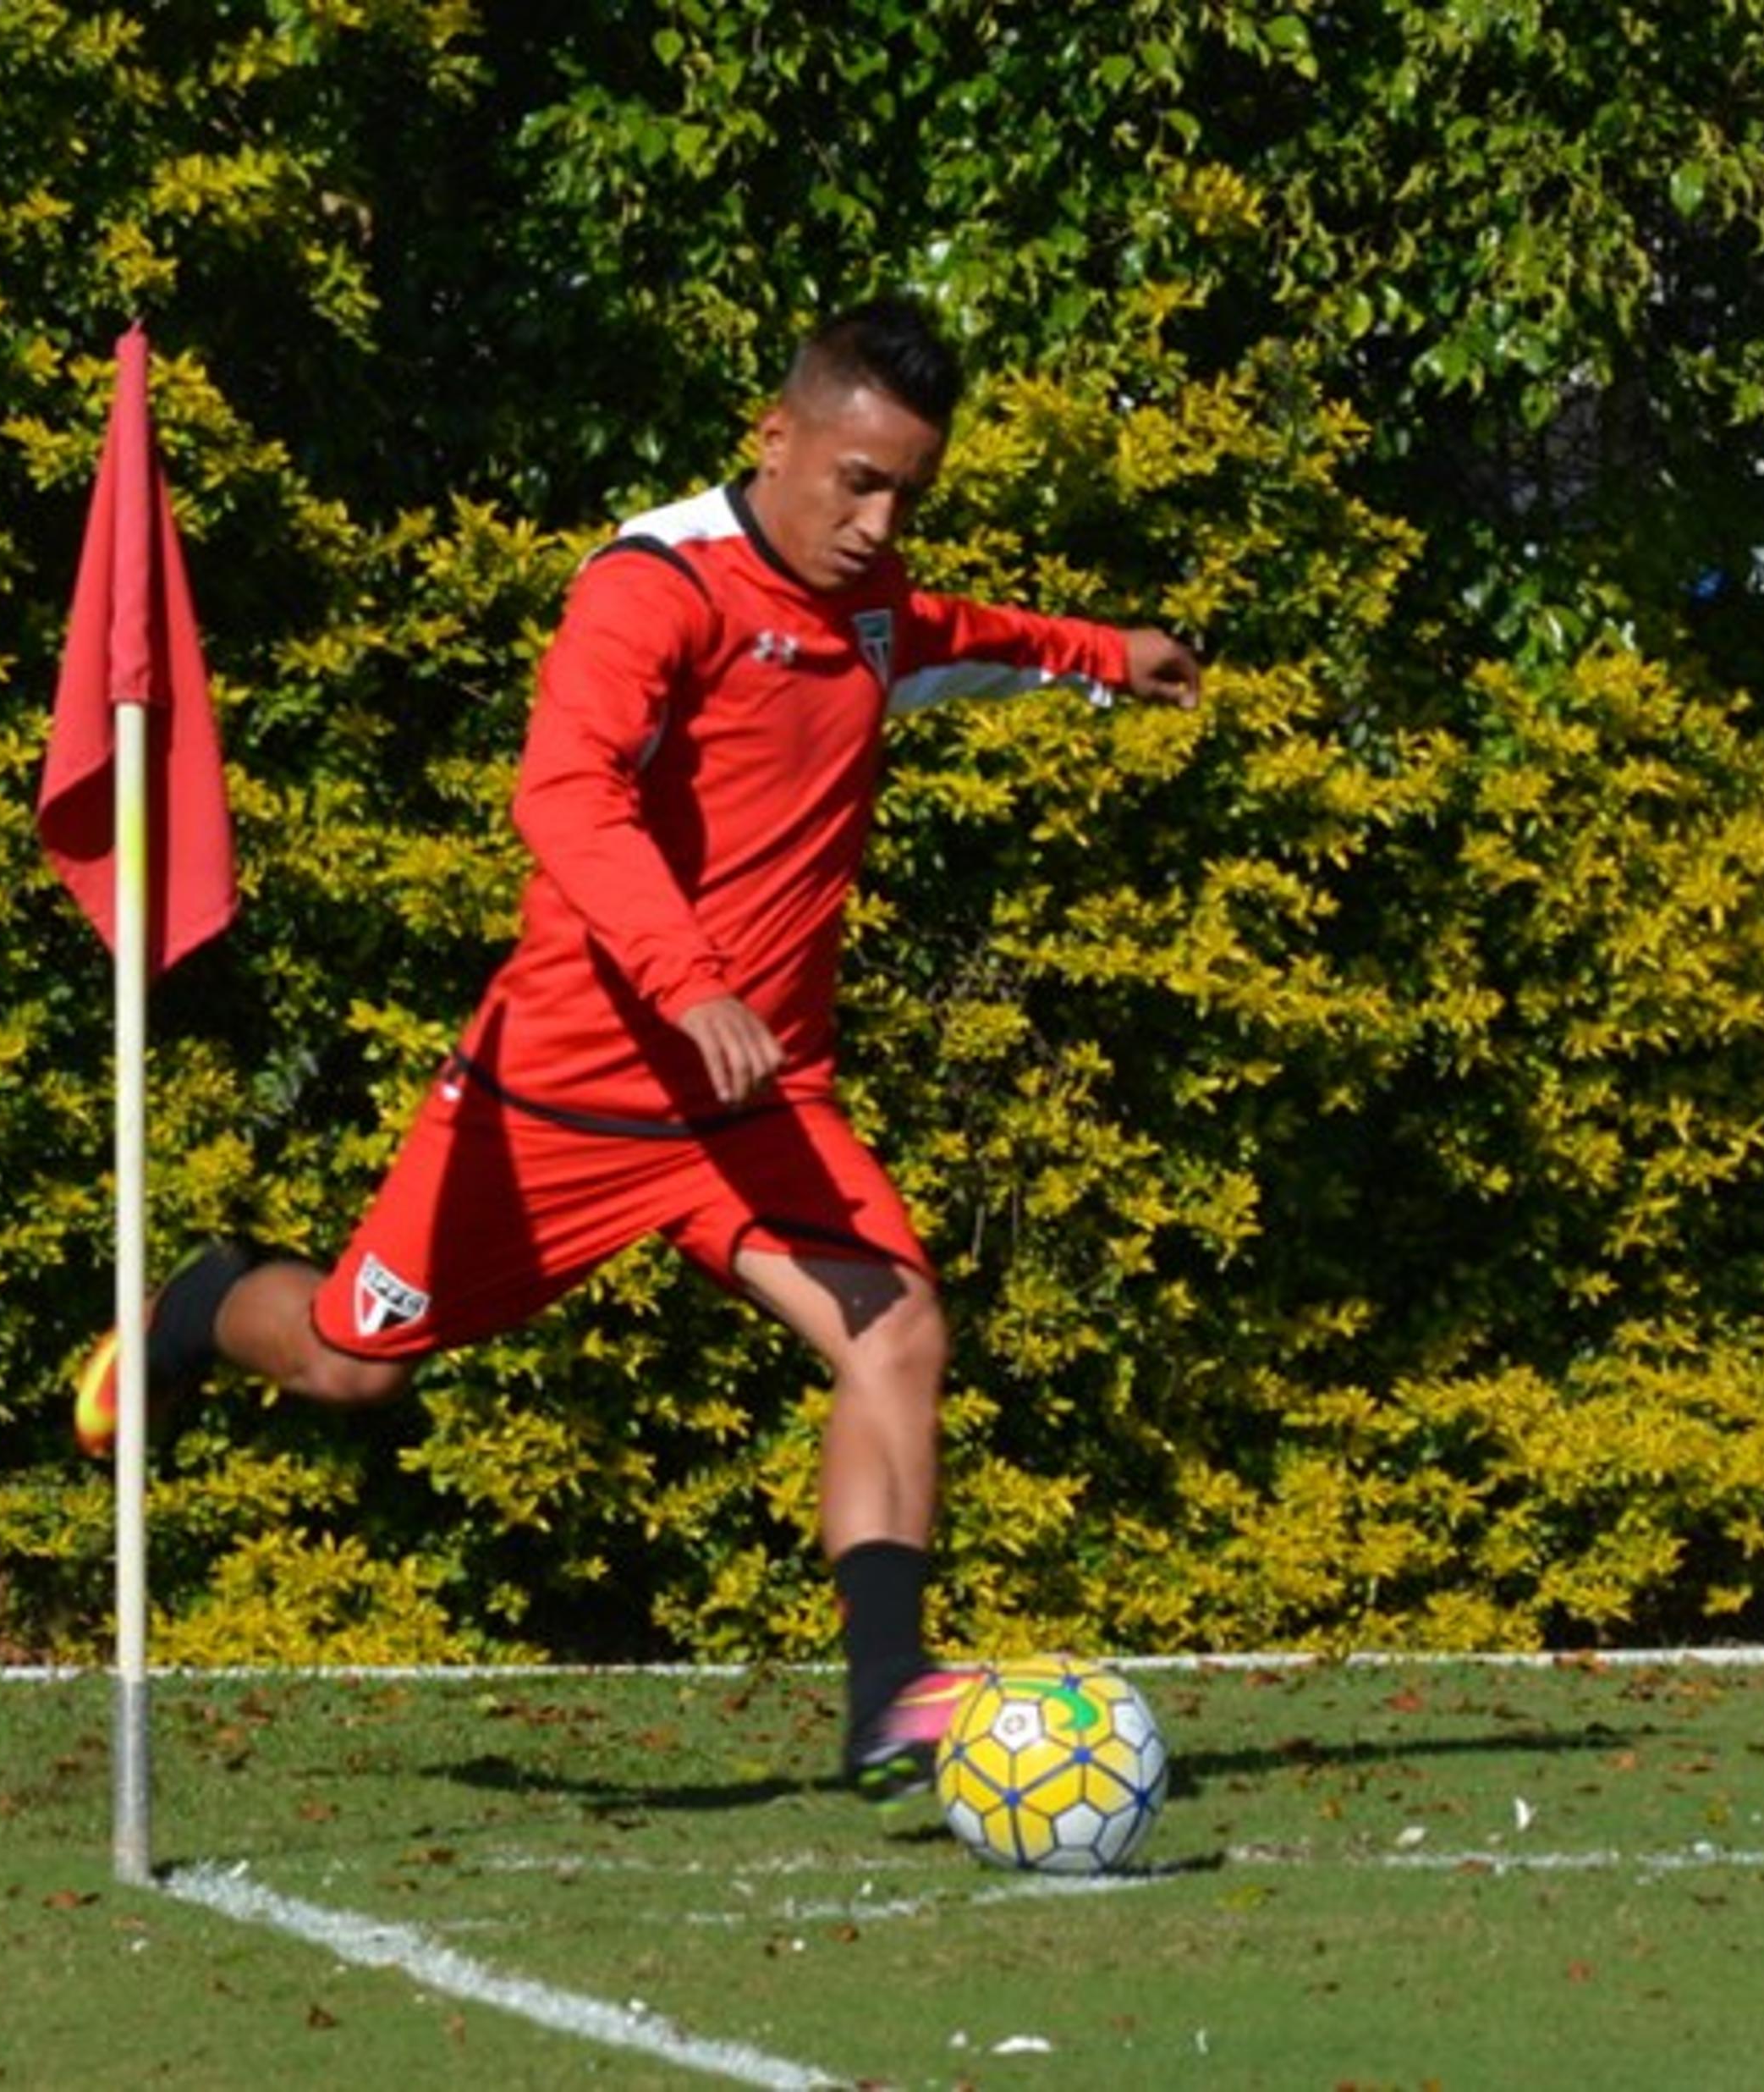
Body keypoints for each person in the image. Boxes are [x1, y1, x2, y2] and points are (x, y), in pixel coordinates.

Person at [74, 295, 1201, 1804]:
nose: (877, 522)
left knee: (897, 1332)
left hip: (756, 1108)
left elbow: (955, 640)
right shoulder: (651, 587)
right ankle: (207, 1304)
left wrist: (1108, 656)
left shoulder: (867, 608)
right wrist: (687, 983)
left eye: (907, 494)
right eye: (854, 482)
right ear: (776, 436)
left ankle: (885, 1696)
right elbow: (566, 798)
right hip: (567, 1097)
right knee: (353, 1366)